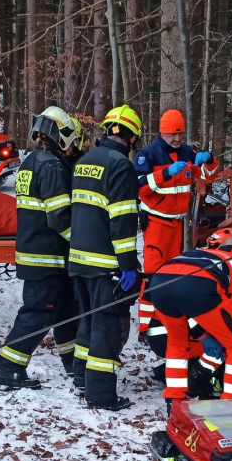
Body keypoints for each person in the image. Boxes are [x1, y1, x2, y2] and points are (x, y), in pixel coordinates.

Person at [0, 107, 81, 390]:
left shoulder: (32, 160)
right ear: (62, 134)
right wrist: (79, 242)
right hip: (46, 255)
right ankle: (8, 370)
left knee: (67, 310)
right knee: (38, 313)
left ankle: (74, 365)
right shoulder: (51, 166)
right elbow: (58, 216)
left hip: (39, 252)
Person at [148, 228, 232, 411]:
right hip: (202, 285)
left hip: (160, 280)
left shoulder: (204, 254)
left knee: (177, 343)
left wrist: (202, 335)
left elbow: (193, 310)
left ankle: (174, 400)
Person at [68, 104, 141, 410]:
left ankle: (82, 377)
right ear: (132, 138)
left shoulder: (85, 161)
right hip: (105, 264)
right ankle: (100, 394)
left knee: (87, 321)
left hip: (78, 259)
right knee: (106, 327)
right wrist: (128, 266)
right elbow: (121, 221)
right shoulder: (121, 166)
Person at [134, 109, 219, 335]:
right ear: (162, 132)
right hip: (156, 223)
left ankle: (168, 321)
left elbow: (211, 175)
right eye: (173, 134)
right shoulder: (148, 155)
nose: (178, 139)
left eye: (180, 134)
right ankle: (145, 326)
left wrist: (209, 159)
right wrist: (166, 174)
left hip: (178, 224)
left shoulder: (187, 152)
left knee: (173, 274)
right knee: (153, 275)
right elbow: (139, 187)